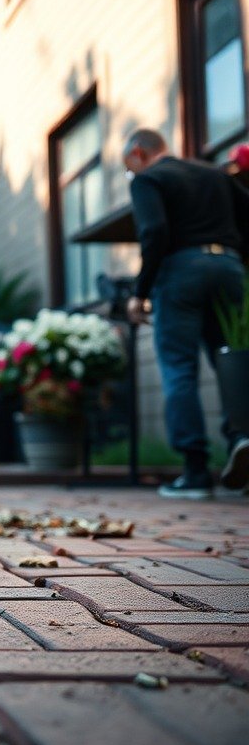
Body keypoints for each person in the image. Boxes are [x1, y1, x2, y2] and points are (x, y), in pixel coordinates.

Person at [123, 128, 249, 498]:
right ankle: (242, 438)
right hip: (228, 268)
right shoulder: (214, 174)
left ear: (138, 153)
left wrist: (139, 293)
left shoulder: (148, 179)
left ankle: (195, 473)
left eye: (127, 167)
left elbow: (155, 231)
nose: (129, 174)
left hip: (180, 273)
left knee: (179, 368)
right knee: (233, 360)